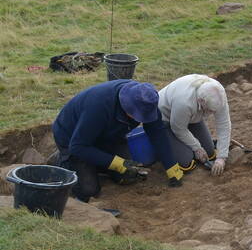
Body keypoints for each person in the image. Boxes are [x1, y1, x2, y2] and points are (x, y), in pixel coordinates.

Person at [52, 80, 183, 202]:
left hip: (108, 136)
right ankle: (64, 160)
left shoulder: (146, 102)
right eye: (137, 115)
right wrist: (116, 163)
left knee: (128, 176)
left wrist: (171, 166)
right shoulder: (99, 106)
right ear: (127, 105)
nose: (140, 119)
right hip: (73, 139)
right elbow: (78, 146)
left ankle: (95, 163)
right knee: (89, 190)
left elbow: (157, 133)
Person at [158, 74, 231, 176]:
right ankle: (161, 144)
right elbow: (179, 129)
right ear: (201, 101)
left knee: (210, 153)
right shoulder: (183, 102)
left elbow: (224, 124)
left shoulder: (218, 94)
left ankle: (180, 144)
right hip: (164, 119)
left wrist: (222, 157)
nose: (211, 113)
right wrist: (197, 148)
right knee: (186, 161)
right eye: (210, 110)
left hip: (191, 117)